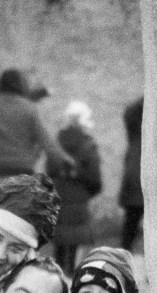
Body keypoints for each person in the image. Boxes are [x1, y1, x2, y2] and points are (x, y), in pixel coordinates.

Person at [0, 68, 73, 195]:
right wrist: (65, 161)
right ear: (21, 86)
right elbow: (46, 141)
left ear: (0, 85)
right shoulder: (29, 109)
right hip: (22, 178)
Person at [48, 100, 102, 278]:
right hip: (79, 200)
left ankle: (56, 276)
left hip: (59, 198)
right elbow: (95, 178)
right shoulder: (88, 145)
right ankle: (71, 276)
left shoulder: (56, 142)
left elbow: (49, 170)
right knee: (75, 247)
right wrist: (87, 192)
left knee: (59, 243)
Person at [118, 96, 144, 251]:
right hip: (136, 183)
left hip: (136, 183)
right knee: (131, 225)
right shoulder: (136, 132)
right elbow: (130, 112)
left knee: (131, 225)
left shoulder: (137, 134)